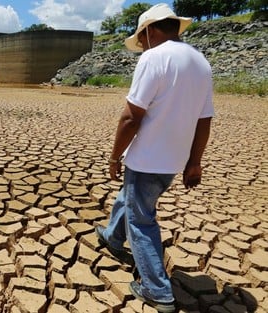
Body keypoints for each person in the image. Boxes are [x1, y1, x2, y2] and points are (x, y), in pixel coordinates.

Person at [95, 3, 214, 313]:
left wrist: (114, 157)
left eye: (141, 38)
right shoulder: (201, 63)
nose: (141, 45)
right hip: (173, 162)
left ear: (148, 30)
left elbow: (130, 118)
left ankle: (157, 290)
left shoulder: (154, 57)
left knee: (142, 220)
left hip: (146, 160)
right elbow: (204, 120)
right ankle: (111, 236)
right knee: (132, 199)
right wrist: (194, 161)